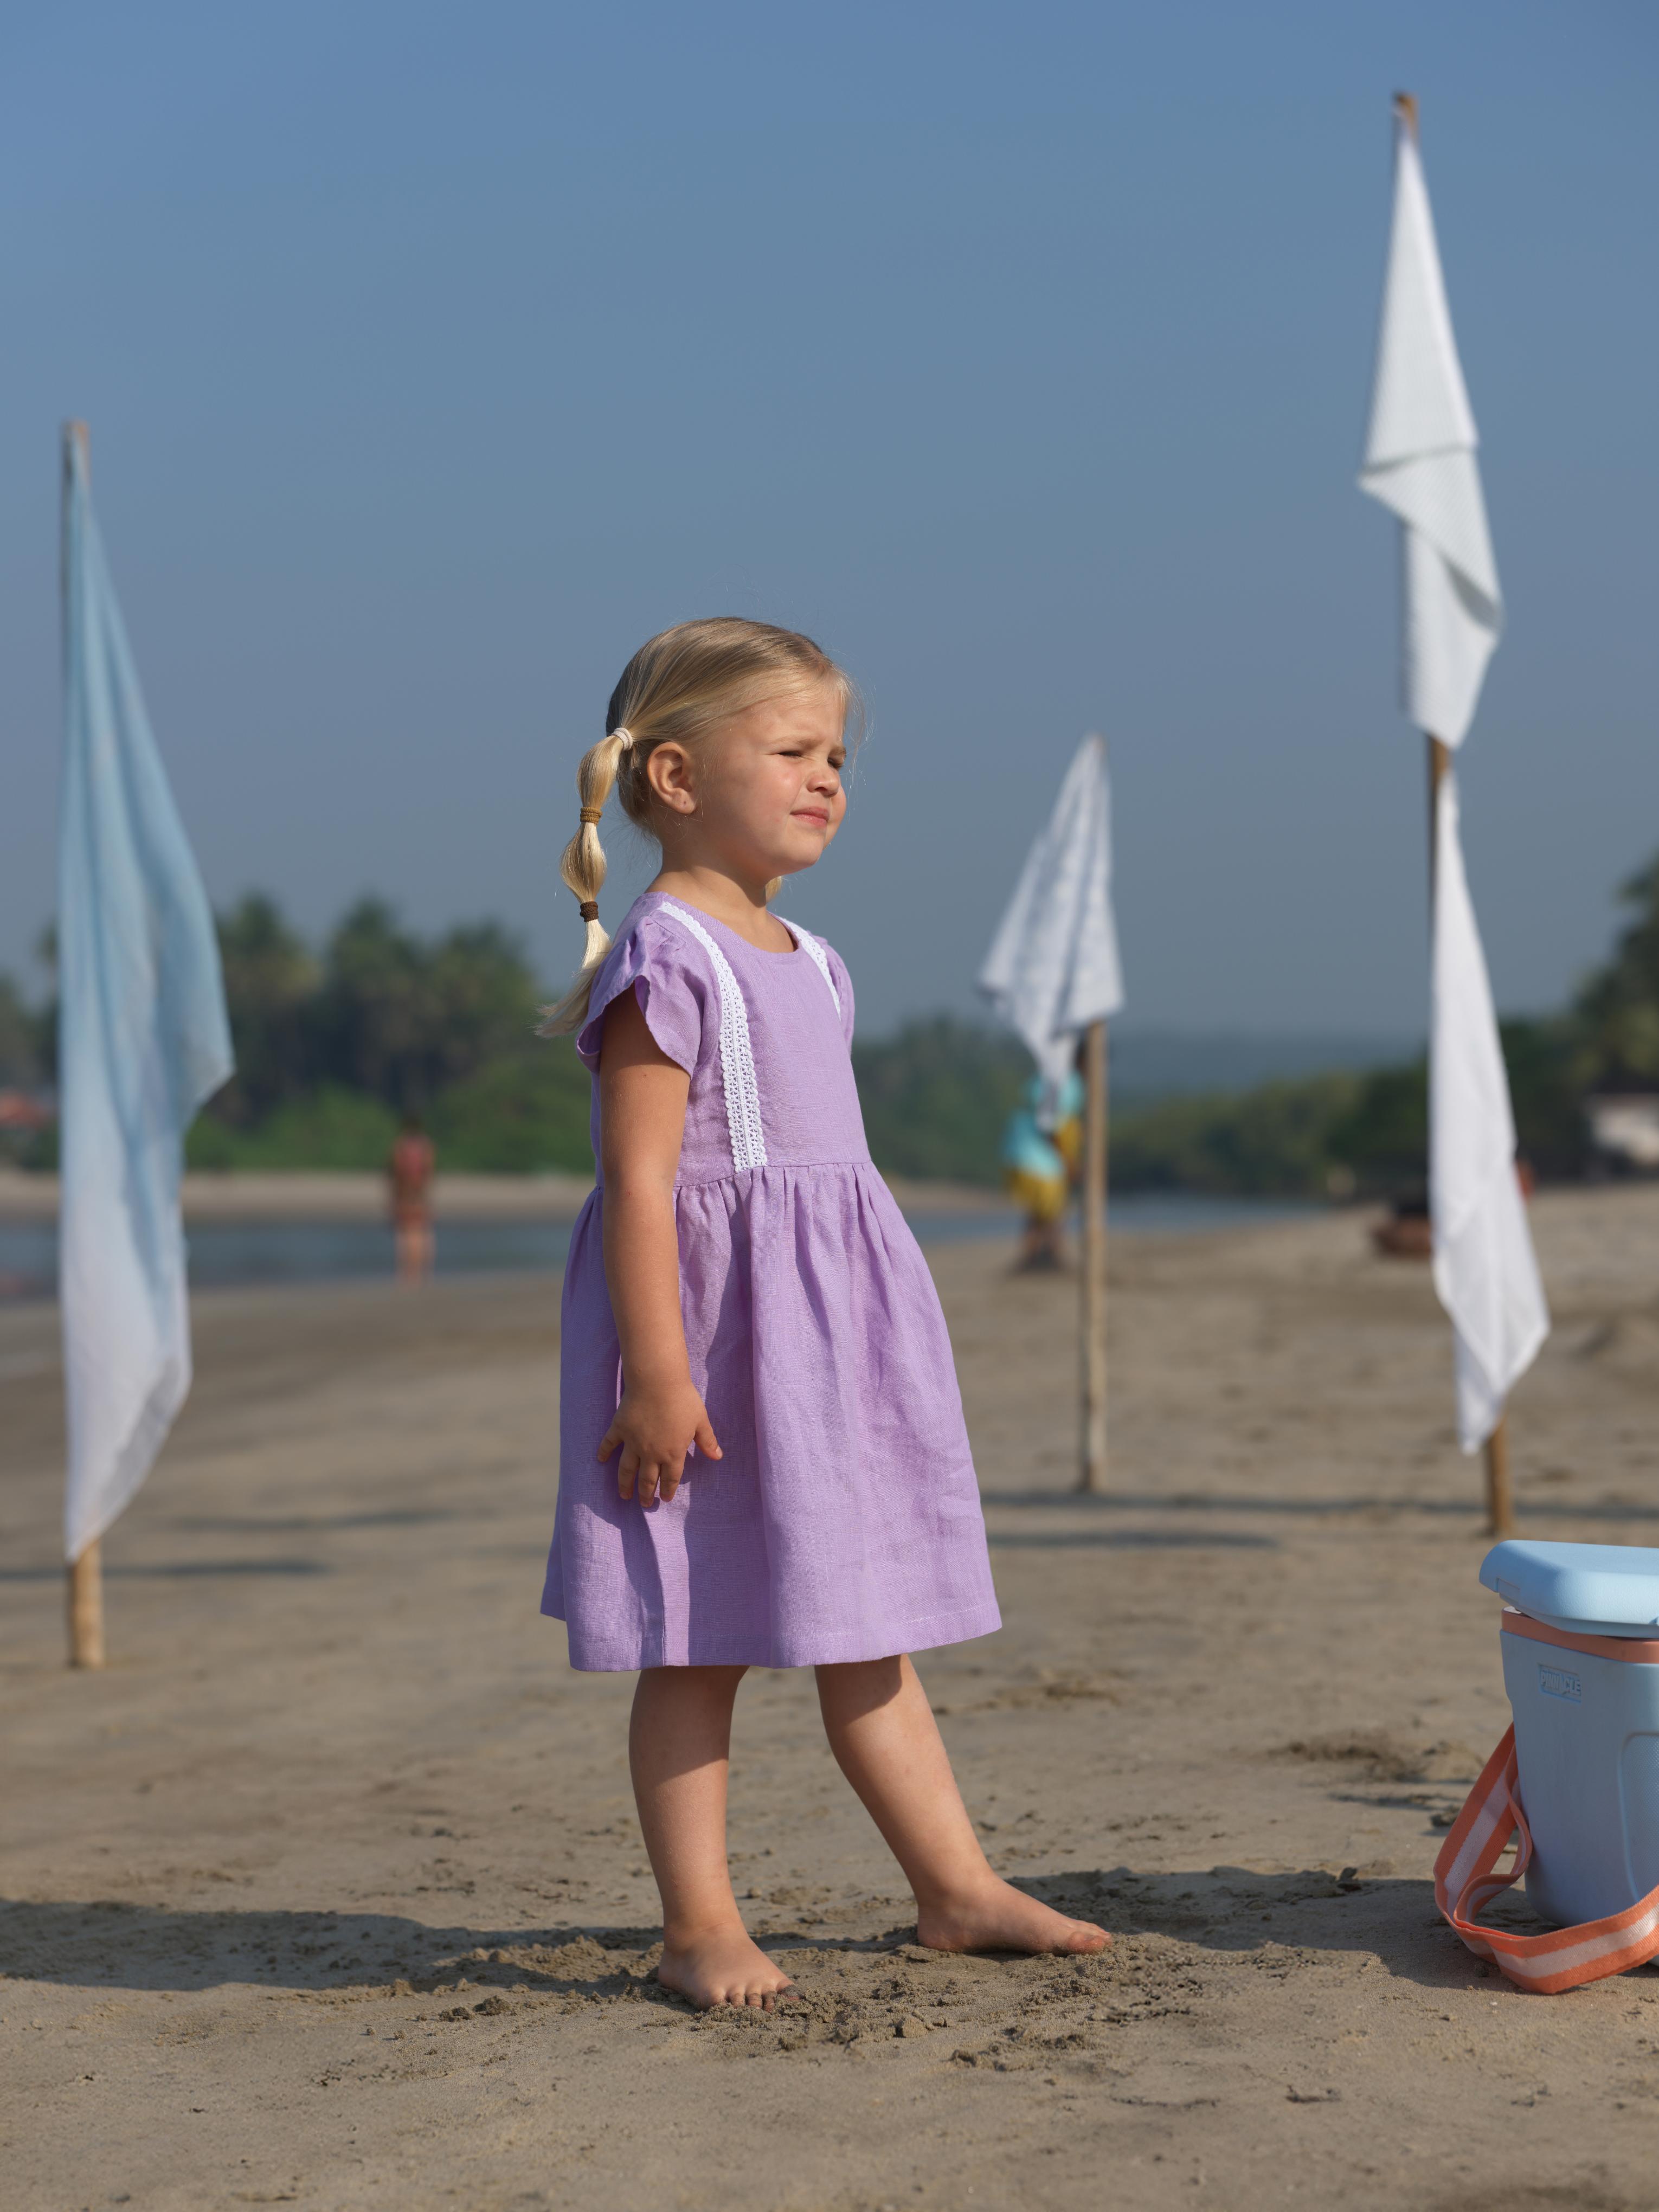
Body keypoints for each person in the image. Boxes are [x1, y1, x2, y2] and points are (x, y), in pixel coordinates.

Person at [539, 618, 1109, 2011]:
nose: (827, 777)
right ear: (673, 776)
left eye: (837, 754)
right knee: (698, 1633)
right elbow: (639, 1179)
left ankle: (955, 1884)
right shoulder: (665, 959)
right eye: (790, 750)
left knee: (869, 1623)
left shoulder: (815, 956)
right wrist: (658, 1374)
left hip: (828, 1351)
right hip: (712, 1355)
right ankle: (698, 1924)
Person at [1000, 1068, 1085, 1270]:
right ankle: (1050, 1255)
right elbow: (1049, 1125)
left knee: (1038, 1214)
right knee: (1053, 1213)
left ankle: (1034, 1256)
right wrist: (1069, 1162)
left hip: (1020, 1153)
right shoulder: (1065, 1083)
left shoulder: (1045, 1079)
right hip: (1042, 1162)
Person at [387, 1114, 435, 1285]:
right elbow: (429, 1169)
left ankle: (407, 1272)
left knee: (405, 1233)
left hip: (405, 1191)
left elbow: (396, 1169)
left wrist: (394, 1194)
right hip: (419, 1191)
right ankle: (422, 1271)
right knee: (421, 1232)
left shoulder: (401, 1146)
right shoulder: (425, 1145)